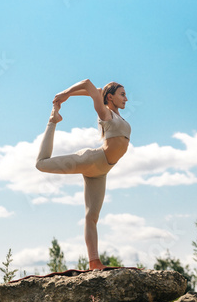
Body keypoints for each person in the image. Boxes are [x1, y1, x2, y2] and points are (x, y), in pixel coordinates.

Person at [36, 79, 131, 270]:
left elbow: (96, 91)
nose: (126, 99)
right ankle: (52, 122)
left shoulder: (118, 116)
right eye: (122, 94)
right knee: (41, 164)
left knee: (91, 217)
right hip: (93, 159)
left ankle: (94, 262)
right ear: (110, 97)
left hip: (101, 171)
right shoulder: (106, 114)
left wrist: (75, 94)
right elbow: (88, 84)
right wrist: (65, 94)